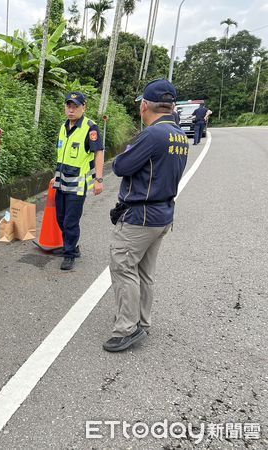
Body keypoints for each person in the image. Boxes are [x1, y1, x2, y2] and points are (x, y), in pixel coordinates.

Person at [104, 79, 188, 352]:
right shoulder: (179, 135)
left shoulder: (153, 134)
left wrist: (126, 154)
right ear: (171, 106)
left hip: (140, 217)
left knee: (123, 268)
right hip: (163, 215)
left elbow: (121, 166)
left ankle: (126, 329)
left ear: (145, 106)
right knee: (144, 271)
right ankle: (142, 322)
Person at [52, 91, 104, 271]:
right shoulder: (63, 126)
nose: (71, 110)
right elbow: (62, 154)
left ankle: (70, 254)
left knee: (70, 221)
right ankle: (72, 246)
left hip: (78, 183)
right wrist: (55, 175)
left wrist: (98, 179)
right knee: (60, 218)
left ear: (84, 107)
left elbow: (98, 152)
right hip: (61, 181)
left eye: (75, 106)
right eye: (69, 106)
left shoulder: (90, 128)